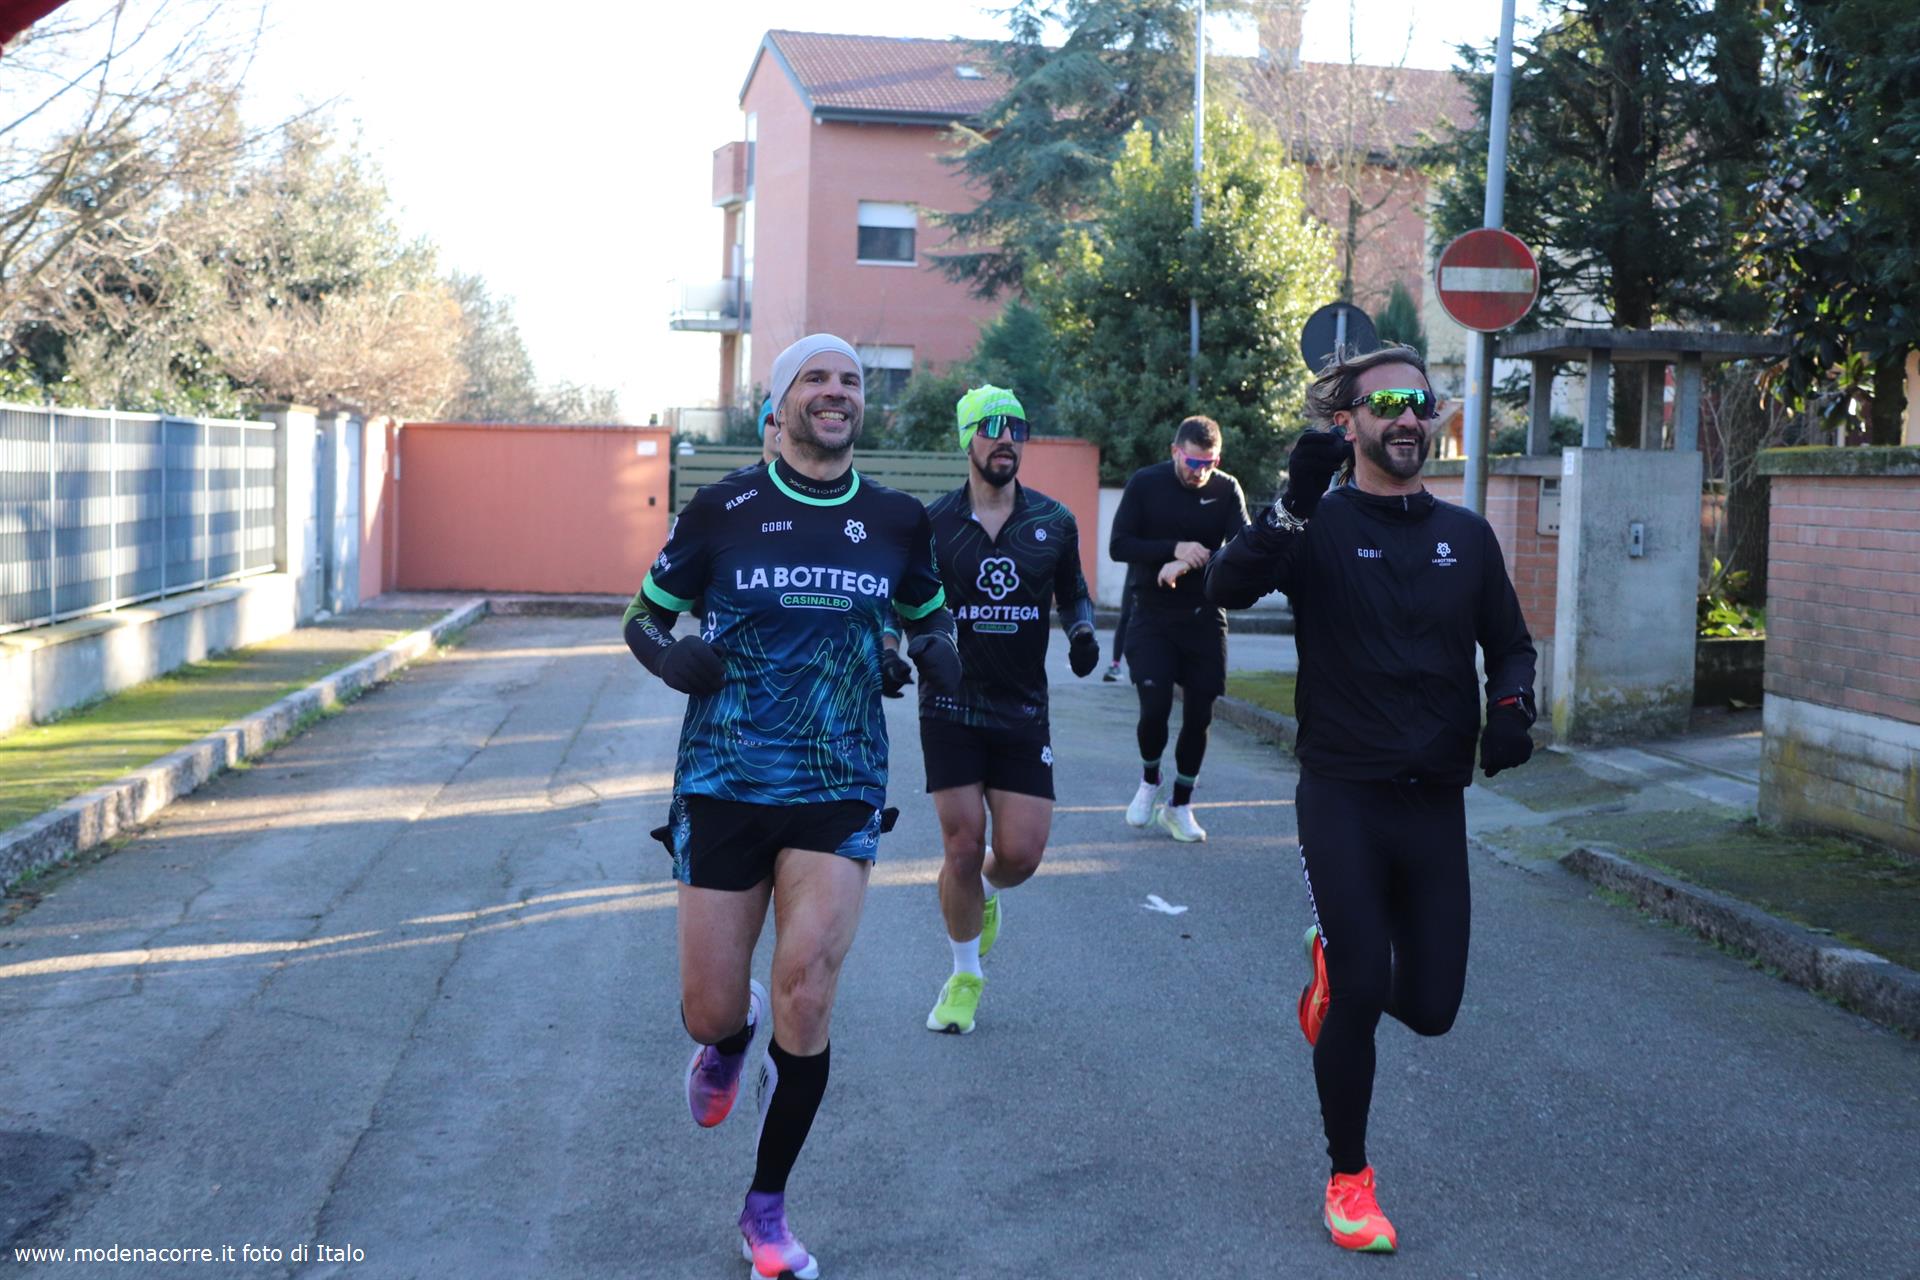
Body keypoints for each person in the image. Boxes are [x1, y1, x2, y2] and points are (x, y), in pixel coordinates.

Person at [622, 333, 961, 1279]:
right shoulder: (721, 508)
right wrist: (669, 657)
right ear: (779, 405)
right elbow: (644, 615)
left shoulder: (897, 519)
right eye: (816, 377)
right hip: (723, 780)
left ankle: (765, 1210)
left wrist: (935, 651)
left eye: (850, 379)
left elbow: (928, 613)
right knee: (708, 1009)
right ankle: (728, 1039)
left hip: (839, 780)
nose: (837, 390)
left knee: (807, 992)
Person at [1205, 343, 1537, 1255]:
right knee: (1361, 988)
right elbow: (1226, 585)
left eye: (1420, 403)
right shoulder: (1316, 522)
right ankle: (1349, 1179)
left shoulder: (1467, 535)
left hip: (1434, 799)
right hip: (1343, 792)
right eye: (1386, 403)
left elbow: (1511, 644)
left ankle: (1333, 969)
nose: (1407, 418)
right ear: (1345, 421)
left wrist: (1512, 706)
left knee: (1430, 1006)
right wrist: (1290, 504)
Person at [908, 385, 1099, 1036]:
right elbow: (904, 603)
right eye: (991, 427)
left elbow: (1074, 593)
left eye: (1017, 427)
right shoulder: (932, 524)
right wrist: (893, 650)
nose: (1006, 438)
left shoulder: (1054, 520)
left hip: (1021, 708)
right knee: (962, 845)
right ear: (967, 438)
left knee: (1019, 854)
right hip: (950, 703)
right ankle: (964, 976)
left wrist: (1081, 632)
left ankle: (984, 894)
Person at [1107, 415, 1249, 842]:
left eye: (1210, 463)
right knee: (1154, 709)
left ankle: (1180, 805)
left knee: (1199, 715)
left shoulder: (1227, 489)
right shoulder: (1145, 484)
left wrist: (1185, 564)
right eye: (1193, 462)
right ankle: (1150, 780)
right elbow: (1119, 545)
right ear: (1175, 452)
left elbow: (1244, 547)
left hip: (1205, 617)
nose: (1200, 471)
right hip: (1152, 616)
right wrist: (1173, 549)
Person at [1101, 564, 1139, 683]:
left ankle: (1140, 666)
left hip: (1155, 572)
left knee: (1145, 619)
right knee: (1126, 617)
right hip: (1135, 568)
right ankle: (1115, 665)